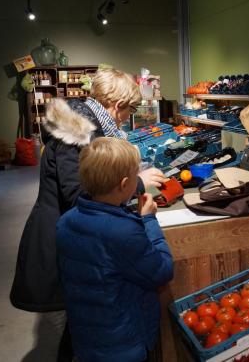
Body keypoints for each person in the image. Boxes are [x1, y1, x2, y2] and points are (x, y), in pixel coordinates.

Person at [10, 67, 167, 361]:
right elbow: (77, 193)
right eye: (130, 109)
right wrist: (137, 184)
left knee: (78, 328)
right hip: (57, 241)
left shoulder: (88, 125)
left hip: (68, 235)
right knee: (71, 332)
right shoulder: (76, 133)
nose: (128, 116)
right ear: (117, 105)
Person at [56, 137, 173, 362]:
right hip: (124, 344)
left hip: (86, 337)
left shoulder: (66, 221)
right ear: (124, 184)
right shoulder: (123, 233)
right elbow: (162, 271)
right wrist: (148, 220)